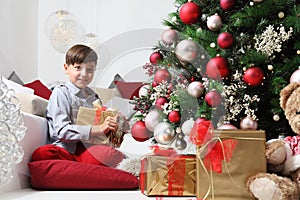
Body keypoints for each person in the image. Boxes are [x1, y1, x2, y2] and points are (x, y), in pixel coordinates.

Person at [31, 44, 125, 167]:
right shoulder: (61, 92)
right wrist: (99, 128)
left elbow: (101, 136)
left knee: (109, 154)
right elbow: (60, 131)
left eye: (90, 70)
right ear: (66, 68)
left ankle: (80, 168)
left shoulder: (94, 98)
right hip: (65, 149)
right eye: (78, 68)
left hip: (87, 149)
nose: (84, 74)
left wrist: (117, 128)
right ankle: (78, 167)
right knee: (43, 154)